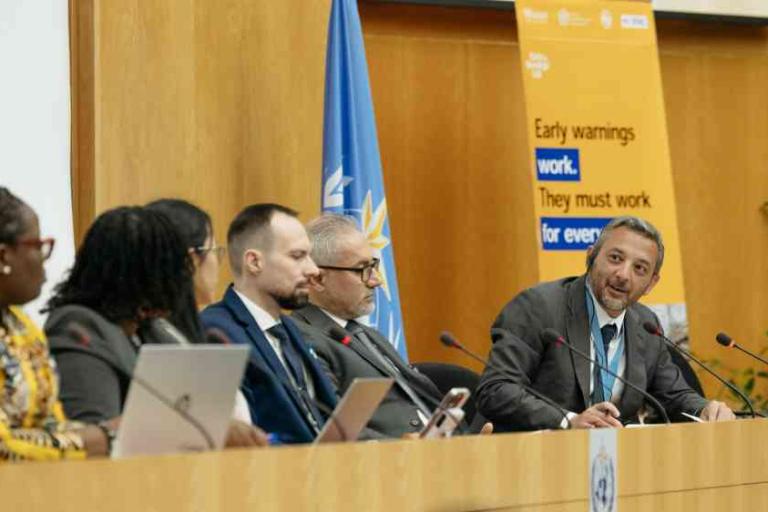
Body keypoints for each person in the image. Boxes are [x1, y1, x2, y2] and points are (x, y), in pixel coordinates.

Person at [475, 216, 734, 431]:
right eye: (615, 258)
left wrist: (706, 409)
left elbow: (675, 395)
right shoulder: (539, 308)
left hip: (608, 460)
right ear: (591, 258)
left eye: (640, 268)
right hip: (534, 457)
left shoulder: (646, 324)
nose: (623, 275)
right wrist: (569, 420)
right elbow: (495, 389)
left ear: (651, 284)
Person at [44, 206, 264, 447]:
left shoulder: (151, 328)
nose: (181, 278)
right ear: (144, 273)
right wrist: (209, 428)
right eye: (174, 267)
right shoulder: (78, 326)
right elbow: (90, 436)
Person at [292, 214, 446, 437]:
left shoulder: (367, 335)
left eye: (373, 266)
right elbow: (331, 430)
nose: (376, 280)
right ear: (317, 279)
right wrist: (401, 449)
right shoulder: (302, 338)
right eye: (361, 269)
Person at [201, 204, 338, 444]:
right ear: (254, 262)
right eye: (297, 256)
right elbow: (242, 439)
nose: (313, 269)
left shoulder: (288, 328)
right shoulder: (216, 332)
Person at [0, 187, 111, 461]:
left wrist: (108, 433)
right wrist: (86, 443)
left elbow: (49, 421)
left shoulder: (21, 325)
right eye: (38, 246)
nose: (44, 259)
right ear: (3, 256)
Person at [146, 198, 251, 423]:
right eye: (215, 251)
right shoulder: (154, 337)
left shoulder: (192, 331)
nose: (218, 262)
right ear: (193, 260)